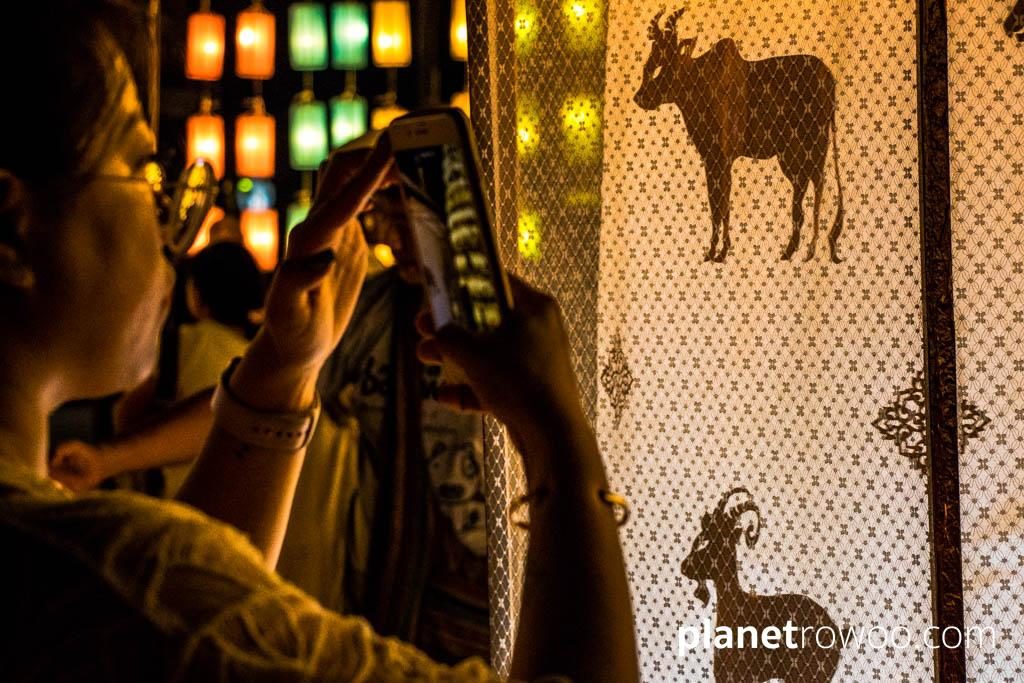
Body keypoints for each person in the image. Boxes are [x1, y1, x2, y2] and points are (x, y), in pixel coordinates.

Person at [0, 2, 639, 681]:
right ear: (12, 233)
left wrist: (285, 365)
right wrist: (561, 443)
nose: (172, 214)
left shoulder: (88, 579)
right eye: (142, 166)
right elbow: (165, 612)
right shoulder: (121, 582)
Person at [48, 241, 265, 495]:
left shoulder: (175, 345)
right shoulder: (261, 360)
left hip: (170, 505)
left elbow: (125, 417)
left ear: (194, 294)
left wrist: (104, 458)